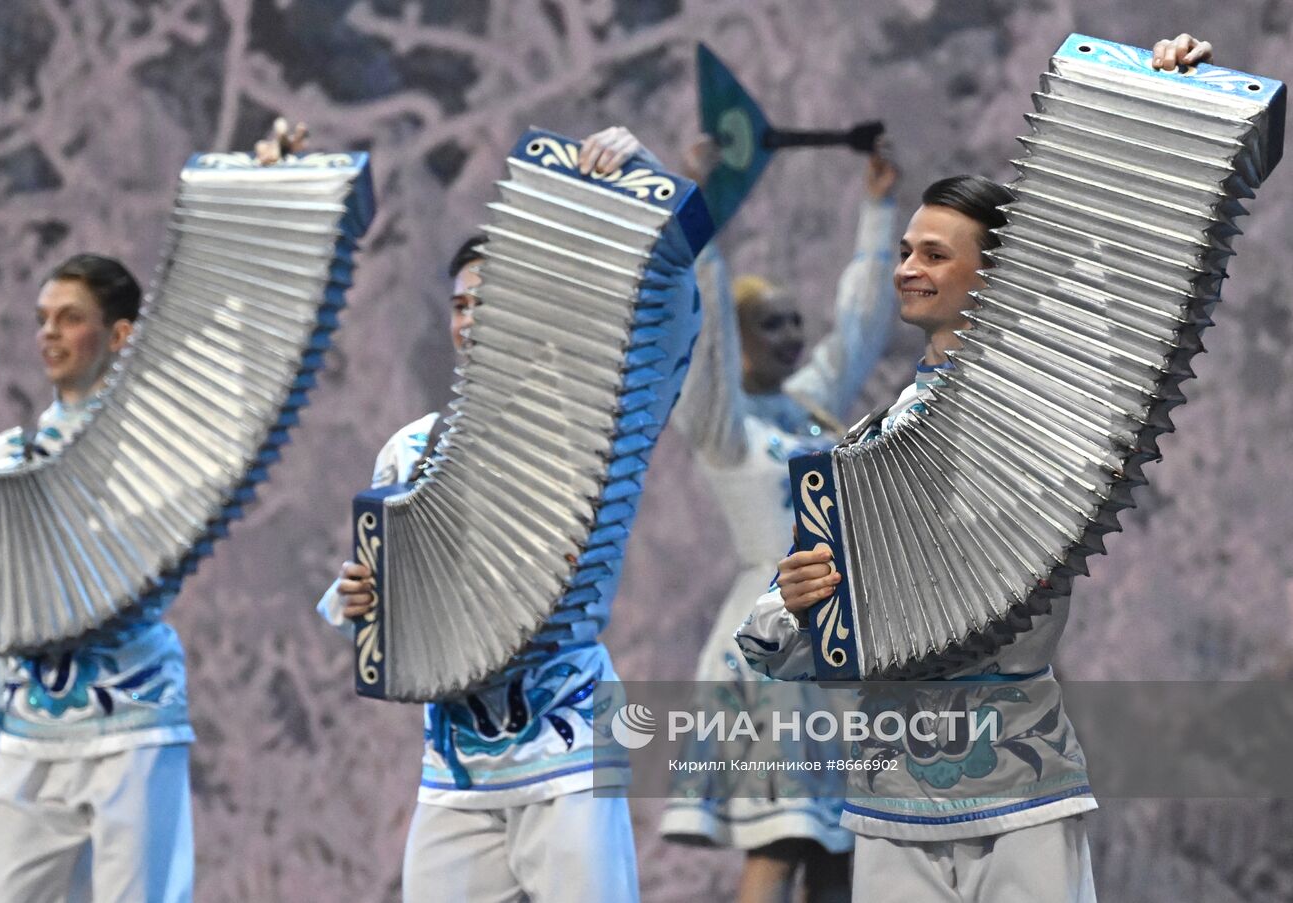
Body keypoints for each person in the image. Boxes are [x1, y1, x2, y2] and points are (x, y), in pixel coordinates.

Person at [733, 32, 1214, 903]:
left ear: (996, 276)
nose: (907, 270)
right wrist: (793, 600)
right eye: (905, 251)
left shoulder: (1056, 400)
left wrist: (1167, 107)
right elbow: (782, 646)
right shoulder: (868, 448)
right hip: (888, 802)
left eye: (933, 254)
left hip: (1022, 788)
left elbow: (1138, 267)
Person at [319, 126, 656, 903]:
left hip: (566, 738)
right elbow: (382, 606)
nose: (471, 321)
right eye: (461, 305)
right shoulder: (410, 450)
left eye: (490, 304)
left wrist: (641, 184)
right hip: (456, 759)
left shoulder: (581, 433)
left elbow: (651, 311)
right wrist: (359, 602)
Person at [658, 137, 899, 903]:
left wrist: (878, 211)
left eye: (795, 322)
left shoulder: (808, 405)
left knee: (843, 846)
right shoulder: (725, 427)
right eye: (771, 324)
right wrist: (699, 216)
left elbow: (858, 328)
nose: (792, 336)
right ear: (736, 334)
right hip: (773, 641)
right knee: (783, 836)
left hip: (842, 639)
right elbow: (703, 337)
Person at [0, 254, 194, 903]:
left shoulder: (155, 452)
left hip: (133, 711)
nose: (49, 333)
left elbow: (155, 579)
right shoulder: (8, 458)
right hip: (31, 720)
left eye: (70, 318)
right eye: (43, 319)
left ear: (119, 335)